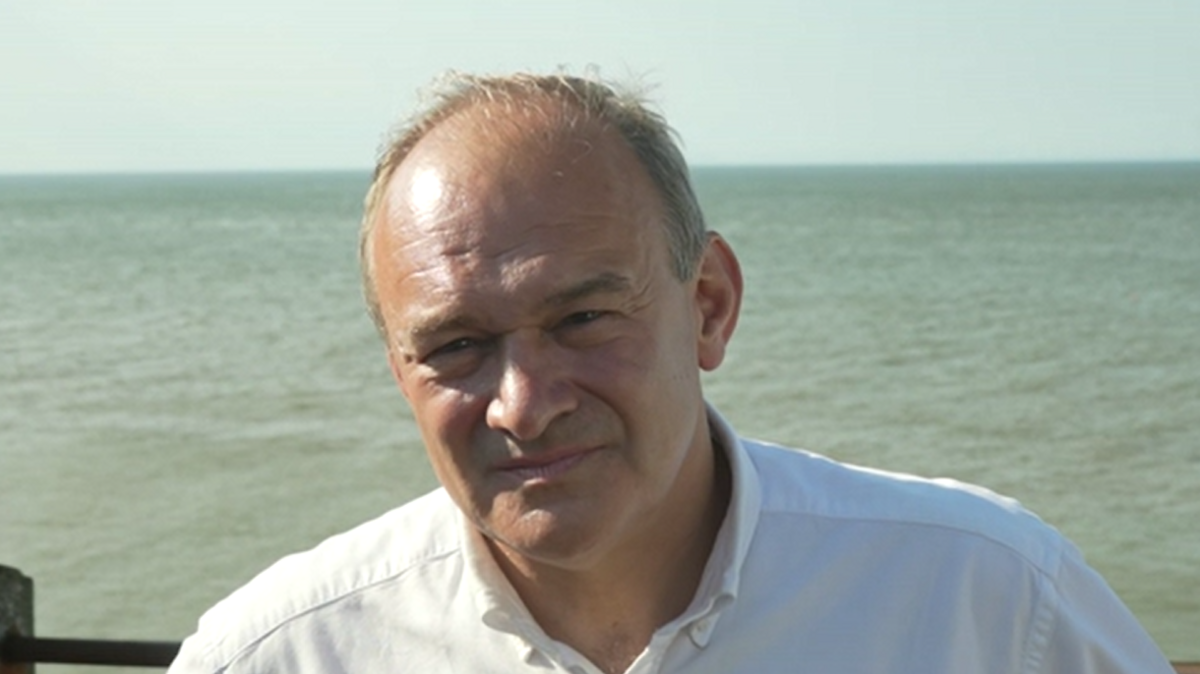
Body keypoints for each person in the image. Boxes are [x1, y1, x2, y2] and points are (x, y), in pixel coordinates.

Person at [168, 72, 1174, 674]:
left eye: (582, 317)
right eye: (457, 345)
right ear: (398, 367)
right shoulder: (282, 651)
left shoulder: (985, 601)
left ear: (709, 305)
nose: (525, 401)